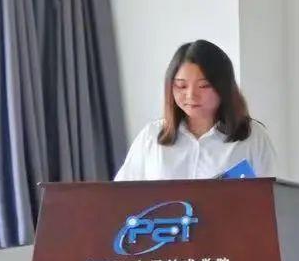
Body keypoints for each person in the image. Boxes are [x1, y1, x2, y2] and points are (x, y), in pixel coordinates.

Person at [114, 40, 275, 181]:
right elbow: (123, 195)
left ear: (223, 87)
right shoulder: (151, 136)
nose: (191, 95)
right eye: (181, 86)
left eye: (204, 86)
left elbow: (273, 197)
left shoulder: (253, 137)